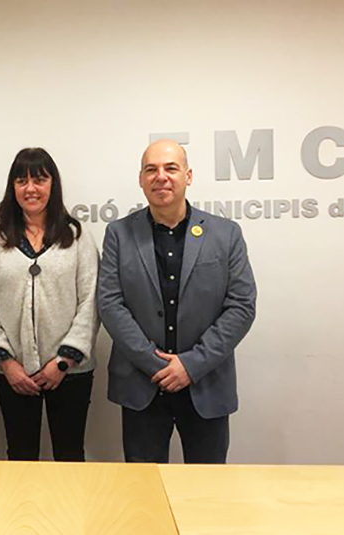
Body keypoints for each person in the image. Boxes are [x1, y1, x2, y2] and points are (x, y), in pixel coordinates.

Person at [97, 139, 256, 464]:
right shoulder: (119, 234)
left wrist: (191, 365)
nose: (161, 177)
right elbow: (110, 304)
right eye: (151, 170)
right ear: (141, 179)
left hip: (205, 383)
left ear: (188, 175)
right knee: (143, 487)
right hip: (142, 385)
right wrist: (156, 365)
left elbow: (241, 305)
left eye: (171, 168)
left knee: (207, 487)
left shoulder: (226, 234)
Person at [0, 148, 99, 461]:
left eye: (39, 180)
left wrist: (63, 361)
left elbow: (91, 302)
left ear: (52, 184)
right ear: (13, 188)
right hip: (14, 374)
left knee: (70, 456)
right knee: (20, 456)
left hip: (70, 372)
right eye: (22, 181)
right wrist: (6, 363)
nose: (30, 188)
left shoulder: (78, 236)